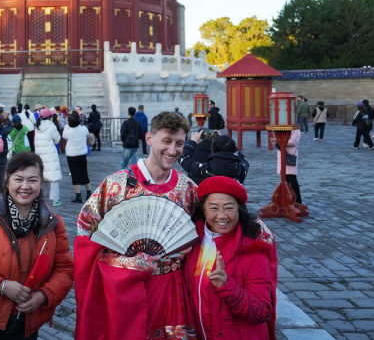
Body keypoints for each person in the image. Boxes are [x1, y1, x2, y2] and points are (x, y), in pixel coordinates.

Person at [74, 111, 198, 339]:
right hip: (124, 288)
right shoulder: (116, 185)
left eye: (179, 144)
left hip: (173, 289)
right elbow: (85, 234)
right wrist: (125, 263)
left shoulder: (188, 189)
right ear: (149, 138)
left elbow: (197, 238)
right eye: (167, 141)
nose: (173, 151)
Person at [0, 152, 74, 339]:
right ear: (8, 181)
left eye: (32, 180)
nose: (25, 186)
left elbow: (65, 270)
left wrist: (43, 295)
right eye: (19, 179)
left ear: (41, 183)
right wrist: (0, 285)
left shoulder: (53, 224)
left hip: (25, 324)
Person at [183, 176, 277, 339]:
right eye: (214, 208)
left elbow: (262, 310)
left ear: (239, 210)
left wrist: (226, 286)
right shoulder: (189, 241)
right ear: (203, 209)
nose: (222, 216)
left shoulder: (253, 249)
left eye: (228, 208)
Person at [180, 131, 249, 185]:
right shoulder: (240, 169)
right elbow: (242, 158)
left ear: (213, 150)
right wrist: (227, 142)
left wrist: (192, 142)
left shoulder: (206, 169)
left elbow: (184, 158)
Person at [34, 108, 62, 207]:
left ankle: (42, 198)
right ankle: (55, 199)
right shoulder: (51, 126)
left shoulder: (37, 126)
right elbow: (57, 139)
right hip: (50, 153)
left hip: (40, 154)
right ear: (50, 116)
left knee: (43, 176)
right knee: (53, 177)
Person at [62, 111, 91, 203]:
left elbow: (64, 135)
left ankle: (78, 195)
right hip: (82, 154)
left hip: (71, 155)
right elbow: (87, 134)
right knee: (84, 173)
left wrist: (67, 125)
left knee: (74, 175)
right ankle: (89, 192)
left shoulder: (67, 131)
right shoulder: (84, 129)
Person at [271, 129, 302, 204]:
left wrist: (279, 141)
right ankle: (286, 199)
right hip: (283, 156)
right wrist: (274, 141)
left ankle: (298, 201)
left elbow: (293, 142)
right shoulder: (284, 128)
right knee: (285, 180)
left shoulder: (296, 130)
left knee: (292, 180)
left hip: (290, 156)